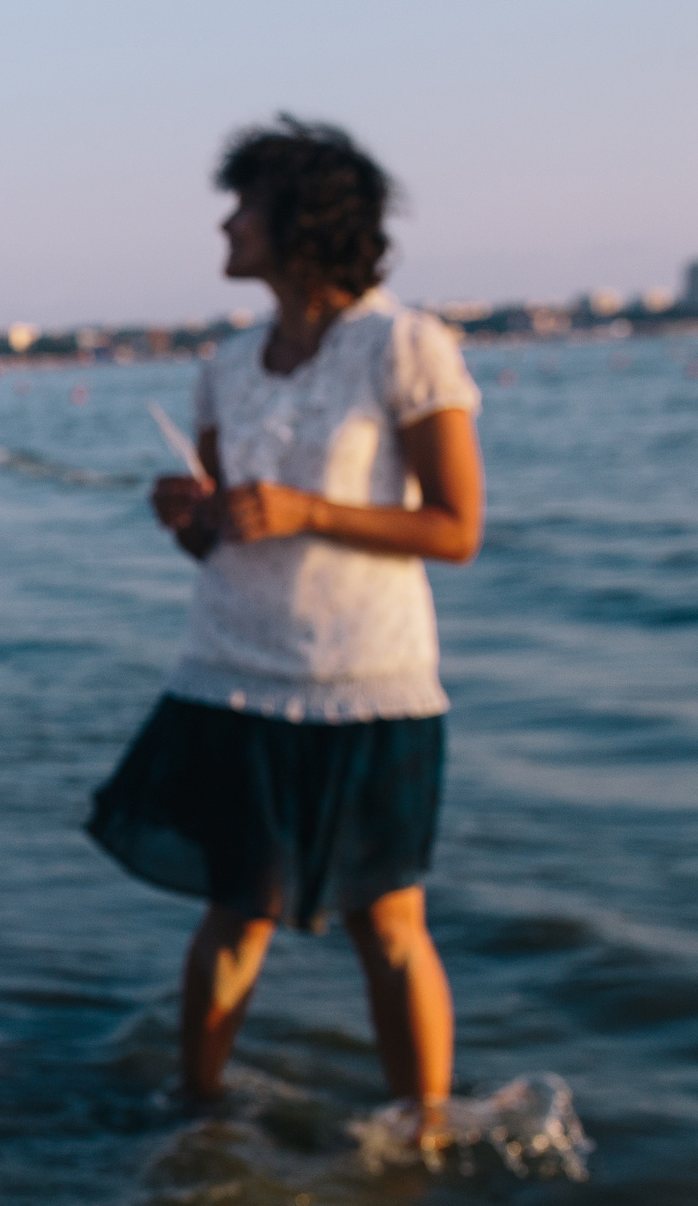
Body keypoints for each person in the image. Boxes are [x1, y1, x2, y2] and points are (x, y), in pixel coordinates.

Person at [87, 117, 485, 1136]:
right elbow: (220, 542)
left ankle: (422, 1140)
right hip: (229, 672)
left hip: (368, 679)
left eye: (245, 201)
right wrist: (189, 518)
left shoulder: (404, 346)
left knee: (390, 923)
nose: (227, 222)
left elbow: (456, 528)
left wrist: (307, 510)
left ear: (300, 220)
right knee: (233, 912)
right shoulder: (226, 364)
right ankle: (200, 1118)